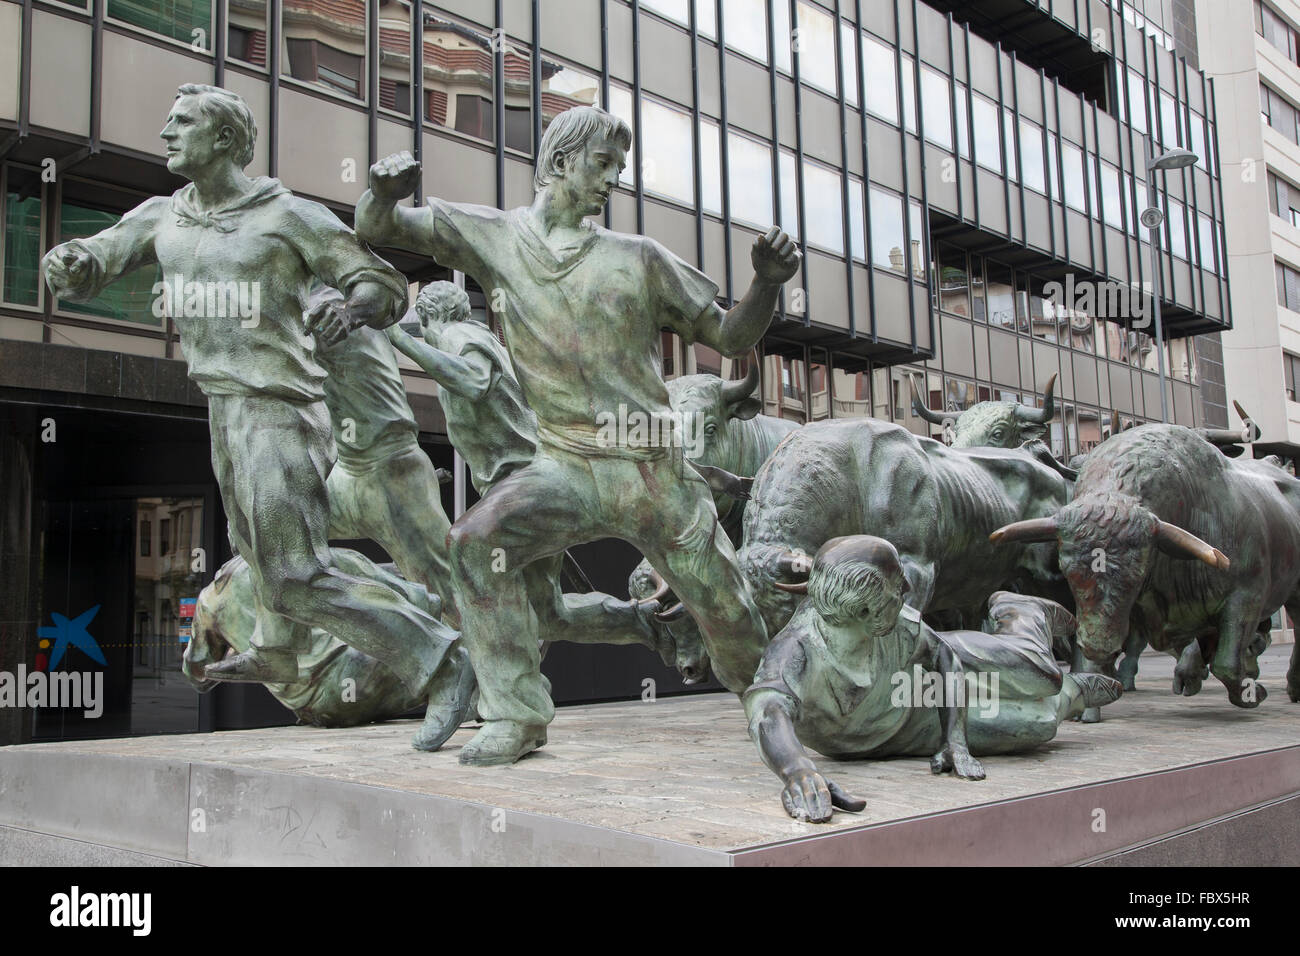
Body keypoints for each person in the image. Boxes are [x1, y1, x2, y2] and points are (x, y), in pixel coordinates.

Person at [357, 107, 800, 764]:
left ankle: (770, 699)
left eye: (620, 168)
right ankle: (515, 712)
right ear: (560, 162)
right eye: (603, 164)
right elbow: (379, 227)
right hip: (562, 469)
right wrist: (384, 192)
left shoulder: (639, 259)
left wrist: (766, 283)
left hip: (652, 474)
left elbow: (732, 335)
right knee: (475, 544)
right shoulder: (495, 236)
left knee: (727, 610)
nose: (612, 181)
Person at [41, 83, 461, 749]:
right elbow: (97, 261)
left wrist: (349, 307)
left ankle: (441, 660)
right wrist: (71, 263)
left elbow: (379, 282)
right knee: (269, 575)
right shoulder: (163, 216)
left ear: (226, 141)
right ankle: (300, 653)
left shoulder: (285, 215)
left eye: (181, 124)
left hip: (281, 411)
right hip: (224, 412)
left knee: (294, 575)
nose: (165, 135)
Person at [744, 535, 1124, 823]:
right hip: (897, 730)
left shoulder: (897, 625)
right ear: (862, 608)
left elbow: (944, 656)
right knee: (1038, 724)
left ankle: (1020, 614)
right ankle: (1074, 693)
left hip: (928, 684)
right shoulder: (796, 648)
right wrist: (797, 768)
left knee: (1040, 675)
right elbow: (767, 712)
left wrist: (954, 739)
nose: (907, 590)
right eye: (898, 586)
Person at [310, 284, 457, 617]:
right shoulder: (344, 309)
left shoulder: (323, 311)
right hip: (352, 474)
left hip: (391, 469)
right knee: (278, 539)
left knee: (449, 595)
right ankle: (392, 586)